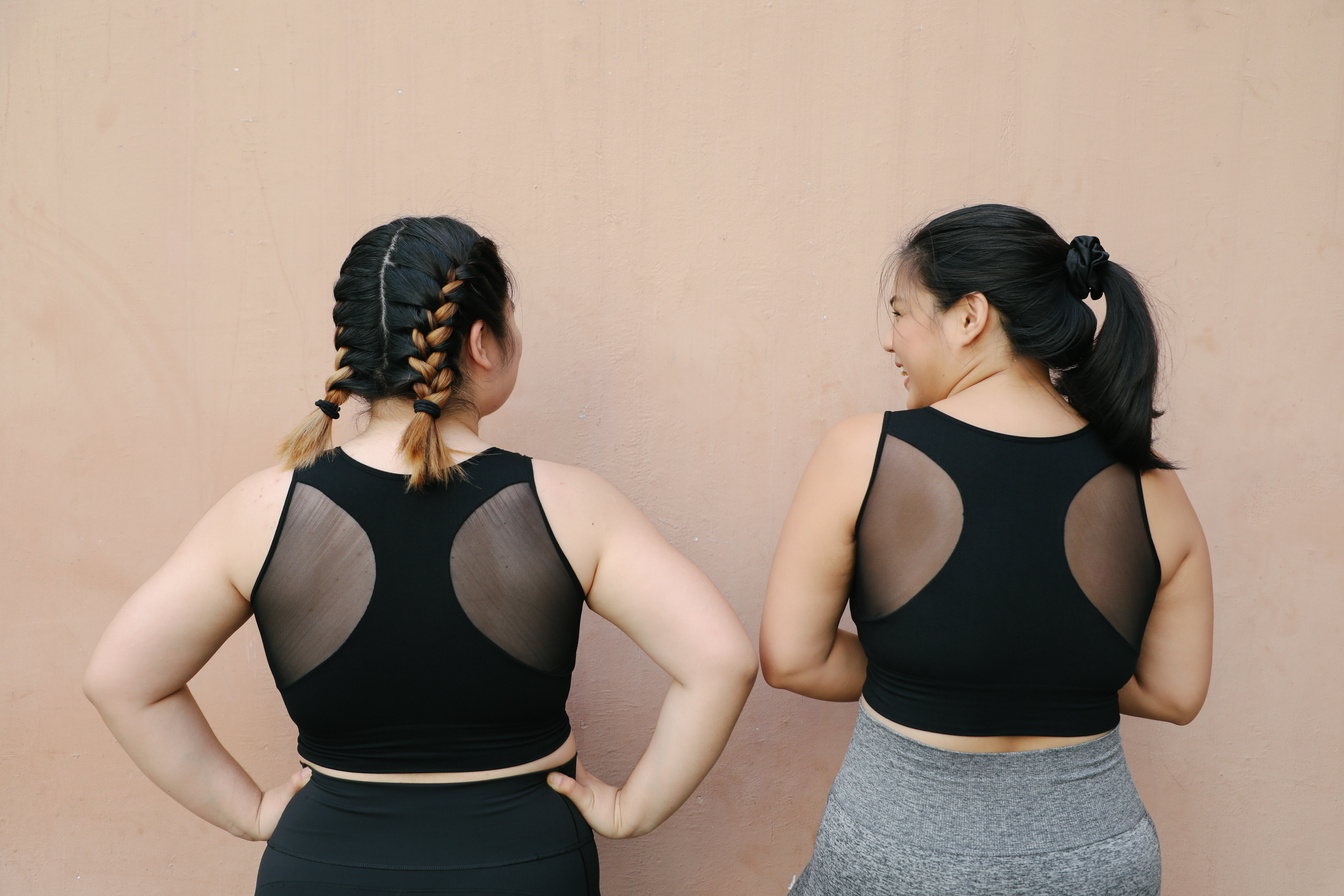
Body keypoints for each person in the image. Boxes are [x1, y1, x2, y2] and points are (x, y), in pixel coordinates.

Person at [84, 215, 758, 895]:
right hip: (525, 868)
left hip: (323, 867)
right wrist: (630, 809)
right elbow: (721, 660)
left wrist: (252, 812)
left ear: (355, 351)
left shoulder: (258, 513)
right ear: (480, 343)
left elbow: (121, 680)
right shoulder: (571, 503)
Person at [759, 204, 1213, 895]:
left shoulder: (865, 453)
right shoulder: (1151, 487)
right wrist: (1034, 676)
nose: (891, 342)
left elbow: (794, 659)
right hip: (1097, 861)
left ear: (970, 317)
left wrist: (940, 675)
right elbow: (1174, 693)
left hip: (901, 856)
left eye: (902, 313)